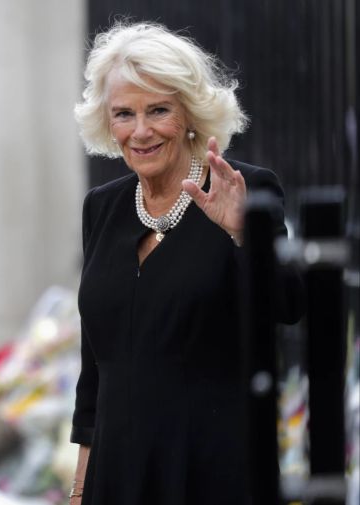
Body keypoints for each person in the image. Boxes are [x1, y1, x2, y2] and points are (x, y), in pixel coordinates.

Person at [68, 22, 304, 504]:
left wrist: (243, 234)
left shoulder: (245, 190)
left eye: (158, 110)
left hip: (214, 472)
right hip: (116, 477)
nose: (140, 130)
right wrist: (79, 489)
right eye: (123, 114)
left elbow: (290, 304)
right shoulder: (103, 207)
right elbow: (96, 368)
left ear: (191, 114)